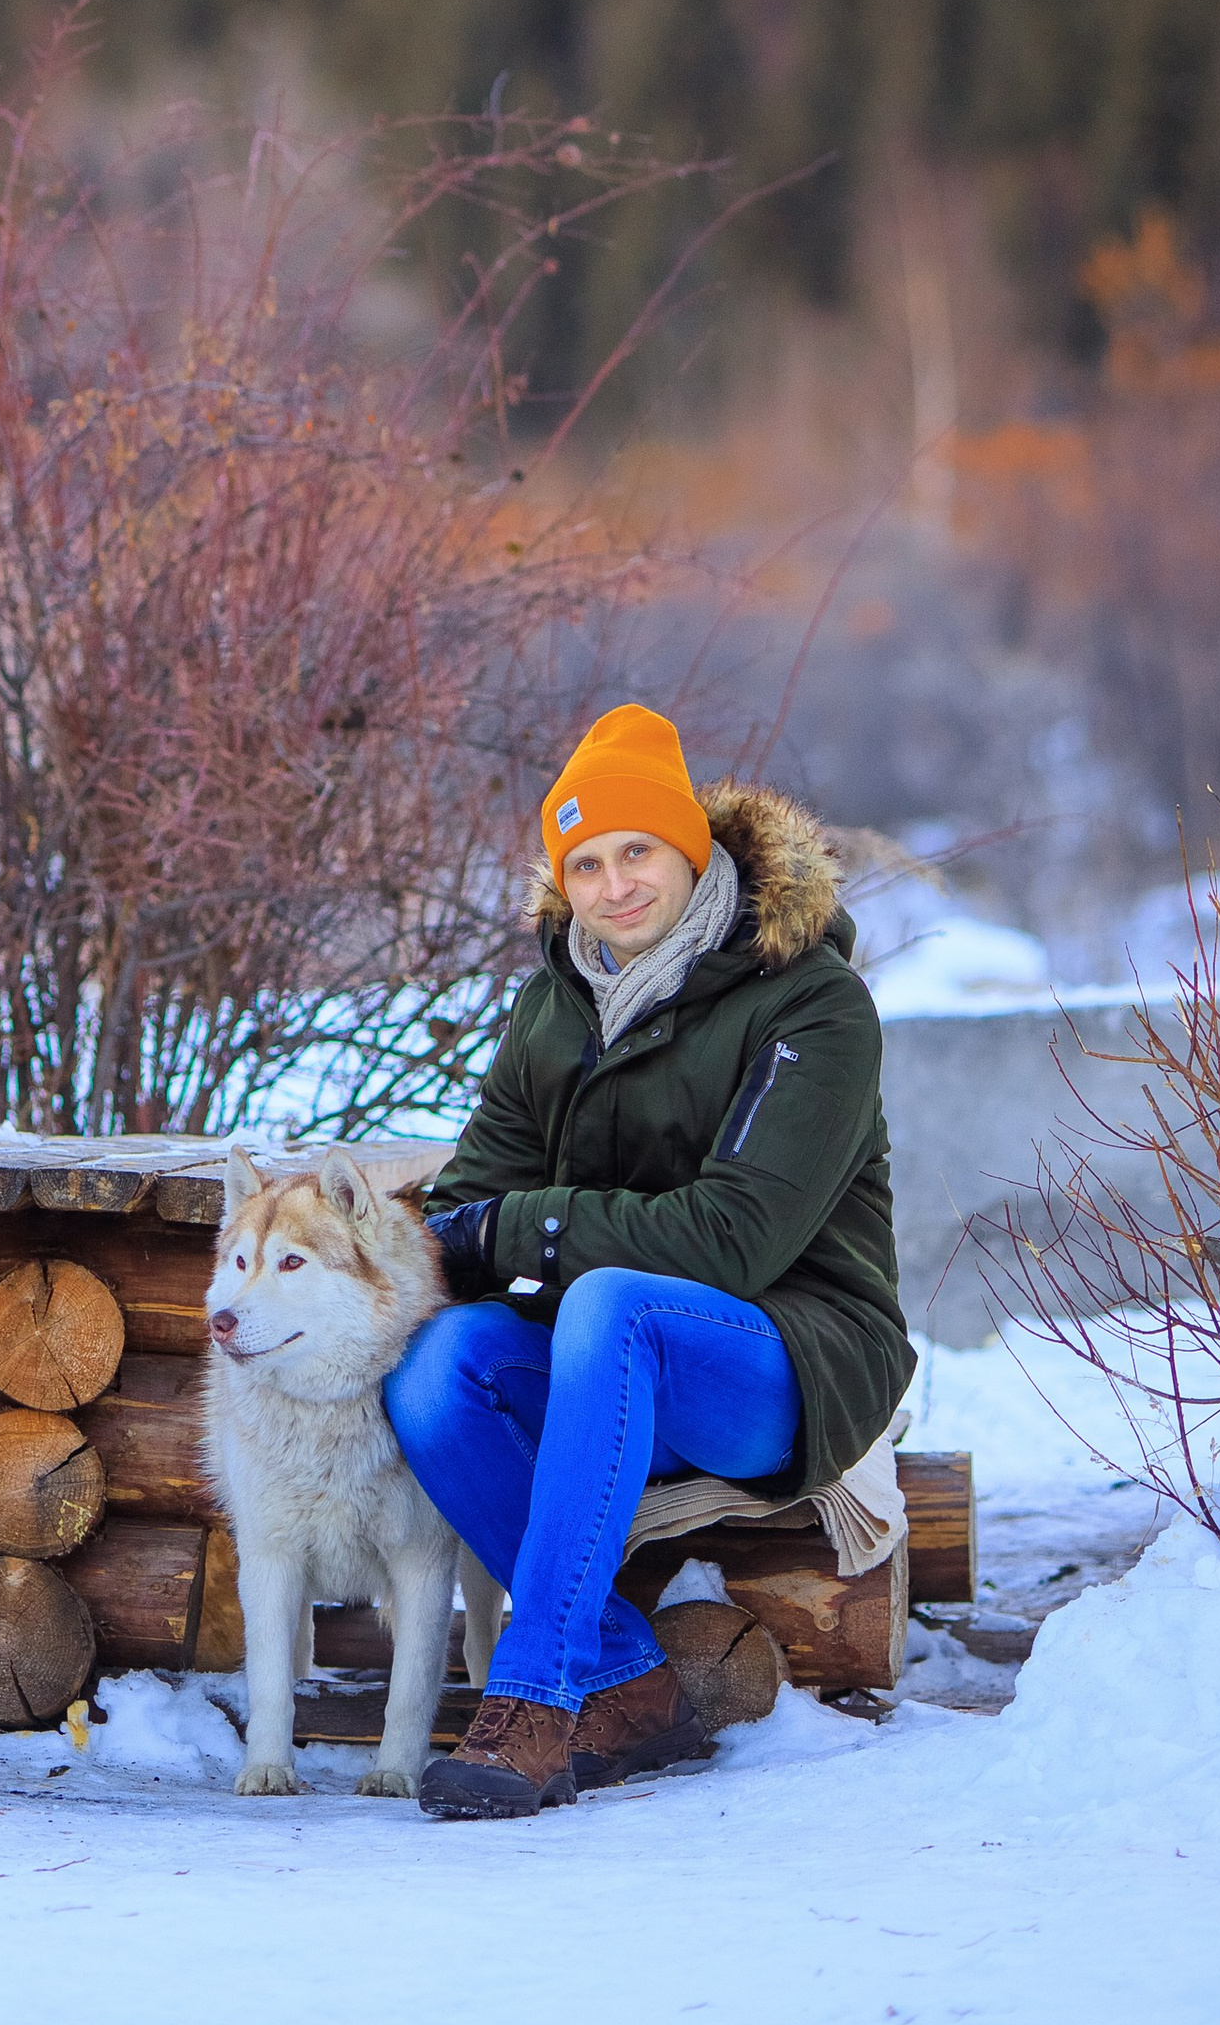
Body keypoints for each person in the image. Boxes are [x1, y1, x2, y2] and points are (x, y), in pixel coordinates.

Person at [385, 702, 911, 1820]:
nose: (614, 886)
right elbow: (471, 1201)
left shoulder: (812, 1004)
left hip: (794, 1355)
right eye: (584, 863)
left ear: (691, 849)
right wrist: (467, 1243)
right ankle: (626, 1685)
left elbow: (736, 1239)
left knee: (613, 1302)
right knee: (441, 1363)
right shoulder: (554, 1004)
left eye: (637, 852)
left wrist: (527, 1231)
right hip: (607, 1353)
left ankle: (531, 1698)